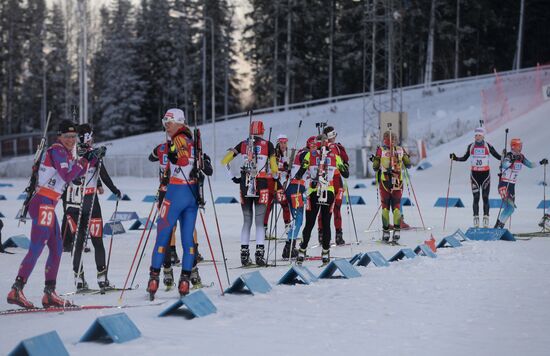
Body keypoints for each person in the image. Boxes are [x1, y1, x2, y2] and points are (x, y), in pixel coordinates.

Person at [7, 120, 102, 308]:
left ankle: (49, 292)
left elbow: (75, 174)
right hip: (43, 202)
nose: (71, 140)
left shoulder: (65, 153)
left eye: (74, 137)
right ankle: (17, 289)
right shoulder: (57, 151)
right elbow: (68, 175)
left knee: (57, 248)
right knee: (37, 246)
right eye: (67, 136)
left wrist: (90, 158)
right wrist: (85, 160)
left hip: (48, 203)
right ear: (59, 136)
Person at [146, 108, 211, 300]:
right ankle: (184, 281)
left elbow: (181, 158)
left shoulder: (178, 139)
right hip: (191, 195)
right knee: (188, 240)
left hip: (176, 193)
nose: (166, 125)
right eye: (165, 122)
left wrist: (174, 154)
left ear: (180, 123)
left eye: (170, 122)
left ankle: (154, 278)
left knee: (163, 234)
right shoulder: (192, 140)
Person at [65, 124, 121, 292]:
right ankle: (102, 279)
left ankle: (79, 280)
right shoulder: (92, 154)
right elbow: (103, 175)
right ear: (87, 137)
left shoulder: (68, 153)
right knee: (96, 241)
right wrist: (115, 190)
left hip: (71, 202)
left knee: (78, 242)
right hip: (89, 201)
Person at [221, 120, 278, 266]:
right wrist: (276, 175)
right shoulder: (268, 145)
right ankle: (259, 254)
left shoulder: (243, 144)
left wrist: (233, 176)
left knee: (247, 221)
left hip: (245, 184)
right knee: (259, 223)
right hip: (262, 184)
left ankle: (244, 254)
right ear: (262, 131)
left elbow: (224, 160)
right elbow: (274, 168)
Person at [294, 134, 349, 265]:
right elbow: (346, 173)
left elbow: (299, 174)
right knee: (326, 223)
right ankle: (325, 253)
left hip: (314, 192)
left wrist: (309, 177)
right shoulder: (334, 157)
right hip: (328, 191)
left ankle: (302, 251)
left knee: (310, 223)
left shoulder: (310, 155)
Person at [450, 127, 501, 228]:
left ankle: (486, 219)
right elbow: (464, 158)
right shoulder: (471, 146)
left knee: (485, 197)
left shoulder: (488, 146)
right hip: (474, 175)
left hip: (485, 175)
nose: (477, 137)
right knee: (476, 197)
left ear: (483, 136)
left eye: (479, 135)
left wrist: (505, 156)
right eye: (476, 135)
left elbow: (498, 157)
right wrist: (455, 158)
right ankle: (476, 220)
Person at [494, 138, 548, 228]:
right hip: (504, 185)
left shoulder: (521, 157)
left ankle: (499, 225)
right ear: (513, 146)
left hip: (512, 186)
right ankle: (499, 225)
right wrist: (511, 160)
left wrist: (541, 162)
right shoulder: (509, 155)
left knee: (510, 209)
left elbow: (530, 165)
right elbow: (504, 165)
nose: (521, 147)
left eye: (521, 146)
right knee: (510, 207)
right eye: (519, 146)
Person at [372, 131, 411, 244]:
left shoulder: (381, 150)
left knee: (385, 207)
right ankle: (397, 231)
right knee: (396, 206)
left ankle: (385, 233)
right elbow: (408, 164)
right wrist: (405, 157)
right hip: (398, 182)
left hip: (385, 182)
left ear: (384, 139)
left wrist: (375, 160)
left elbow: (375, 167)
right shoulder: (400, 149)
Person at [284, 136, 316, 258]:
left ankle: (289, 246)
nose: (314, 149)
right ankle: (289, 248)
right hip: (295, 188)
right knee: (298, 220)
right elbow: (305, 160)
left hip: (297, 187)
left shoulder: (306, 153)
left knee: (297, 219)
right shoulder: (305, 153)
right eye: (313, 146)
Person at [317, 126, 349, 245]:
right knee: (329, 208)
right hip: (329, 180)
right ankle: (326, 235)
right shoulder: (323, 147)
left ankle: (335, 235)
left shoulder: (337, 147)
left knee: (331, 208)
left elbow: (345, 161)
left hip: (333, 180)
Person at [264, 134, 292, 242]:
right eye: (282, 143)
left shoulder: (280, 152)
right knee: (283, 203)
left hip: (274, 181)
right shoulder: (275, 152)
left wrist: (285, 169)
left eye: (285, 143)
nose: (284, 145)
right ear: (278, 143)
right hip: (272, 181)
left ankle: (264, 229)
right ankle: (288, 228)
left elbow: (282, 166)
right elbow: (272, 167)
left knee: (269, 206)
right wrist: (283, 168)